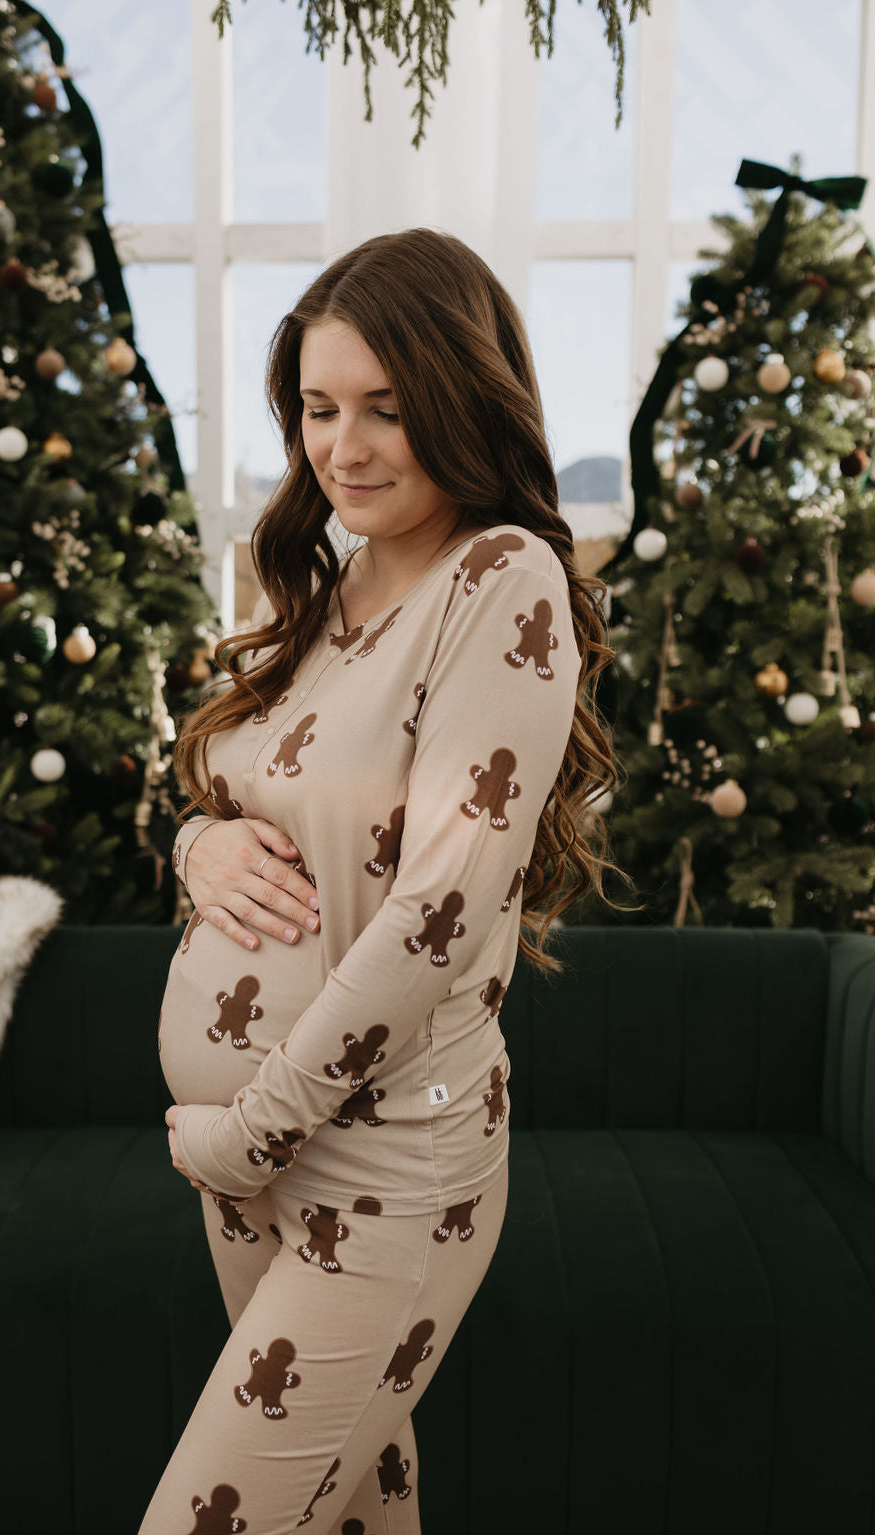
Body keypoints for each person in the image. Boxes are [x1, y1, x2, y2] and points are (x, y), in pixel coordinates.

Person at [139, 227, 627, 1535]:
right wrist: (198, 844)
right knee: (351, 1507)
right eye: (317, 408)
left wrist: (252, 1134)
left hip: (381, 1158)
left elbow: (440, 909)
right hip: (265, 1163)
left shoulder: (499, 577)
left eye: (386, 410)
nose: (342, 449)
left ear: (461, 401)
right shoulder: (342, 583)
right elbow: (238, 796)